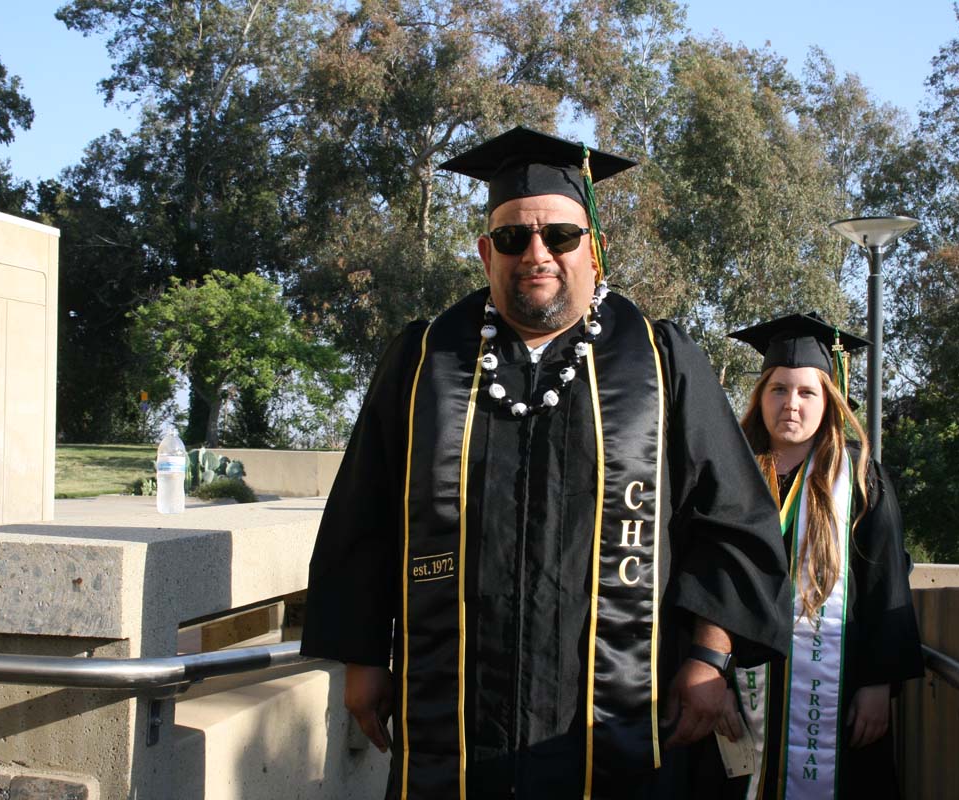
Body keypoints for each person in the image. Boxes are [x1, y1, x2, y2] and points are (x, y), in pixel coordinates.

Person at [301, 126, 792, 800]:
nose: (537, 254)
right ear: (485, 253)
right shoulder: (425, 361)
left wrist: (710, 655)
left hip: (616, 714)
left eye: (559, 236)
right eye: (512, 238)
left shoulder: (659, 360)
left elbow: (731, 519)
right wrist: (362, 658)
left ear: (592, 247)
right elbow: (365, 515)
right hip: (456, 714)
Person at [705, 312, 924, 800]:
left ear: (829, 401)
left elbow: (884, 581)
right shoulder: (727, 475)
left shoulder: (861, 478)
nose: (791, 404)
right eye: (778, 389)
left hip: (836, 688)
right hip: (738, 689)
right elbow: (705, 578)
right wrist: (709, 674)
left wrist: (878, 685)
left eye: (807, 392)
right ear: (760, 396)